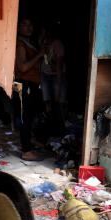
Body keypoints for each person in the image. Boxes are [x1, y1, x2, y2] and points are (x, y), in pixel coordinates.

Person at [14, 18, 44, 161]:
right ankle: (26, 151)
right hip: (23, 84)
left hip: (31, 84)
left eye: (30, 24)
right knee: (25, 117)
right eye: (25, 25)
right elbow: (22, 67)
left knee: (30, 115)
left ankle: (29, 143)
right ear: (18, 27)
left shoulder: (29, 43)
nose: (29, 27)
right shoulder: (20, 45)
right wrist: (39, 55)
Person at [40, 22, 67, 137]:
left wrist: (59, 86)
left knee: (59, 103)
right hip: (45, 75)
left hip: (57, 75)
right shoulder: (42, 43)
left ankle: (61, 130)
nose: (42, 35)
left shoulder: (57, 44)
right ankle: (50, 128)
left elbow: (59, 66)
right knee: (47, 102)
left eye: (43, 32)